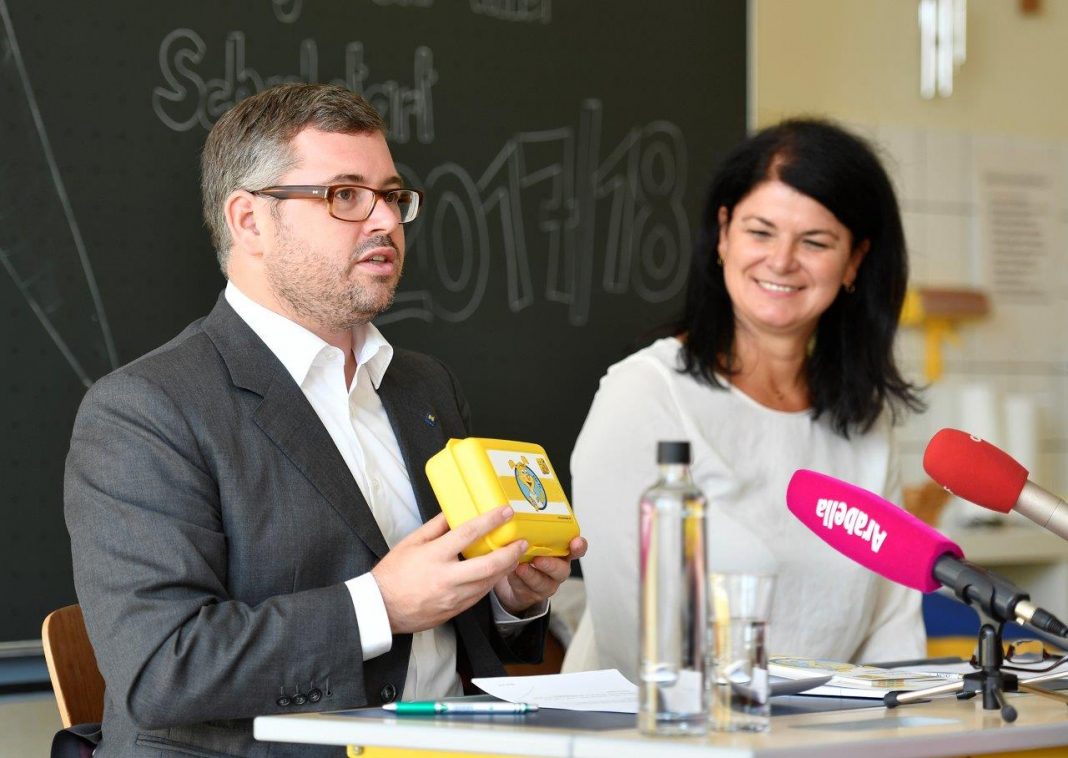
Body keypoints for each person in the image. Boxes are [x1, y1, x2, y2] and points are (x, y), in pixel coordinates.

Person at [64, 83, 586, 757]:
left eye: (393, 196)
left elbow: (461, 638)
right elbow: (163, 666)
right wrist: (378, 606)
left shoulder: (424, 386)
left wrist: (509, 597)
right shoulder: (145, 411)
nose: (385, 222)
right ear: (249, 220)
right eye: (345, 195)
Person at [564, 119, 925, 682]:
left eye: (816, 241)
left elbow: (893, 632)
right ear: (724, 233)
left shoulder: (866, 421)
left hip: (832, 742)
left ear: (855, 260)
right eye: (761, 231)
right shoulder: (646, 395)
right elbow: (632, 643)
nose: (781, 261)